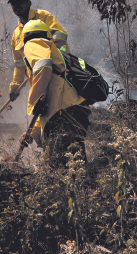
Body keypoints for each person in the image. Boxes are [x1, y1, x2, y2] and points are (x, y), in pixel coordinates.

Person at [17, 20, 90, 168]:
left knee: (60, 168)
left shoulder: (33, 43)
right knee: (75, 166)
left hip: (63, 115)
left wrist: (36, 99)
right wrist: (32, 134)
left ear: (25, 37)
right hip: (76, 111)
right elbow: (47, 105)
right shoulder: (55, 54)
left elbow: (43, 66)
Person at [8, 0, 69, 102]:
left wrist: (46, 53)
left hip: (59, 70)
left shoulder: (43, 16)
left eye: (19, 3)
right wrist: (15, 87)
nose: (16, 6)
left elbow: (61, 35)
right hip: (38, 79)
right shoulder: (16, 34)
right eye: (13, 4)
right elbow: (19, 64)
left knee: (64, 102)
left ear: (28, 3)